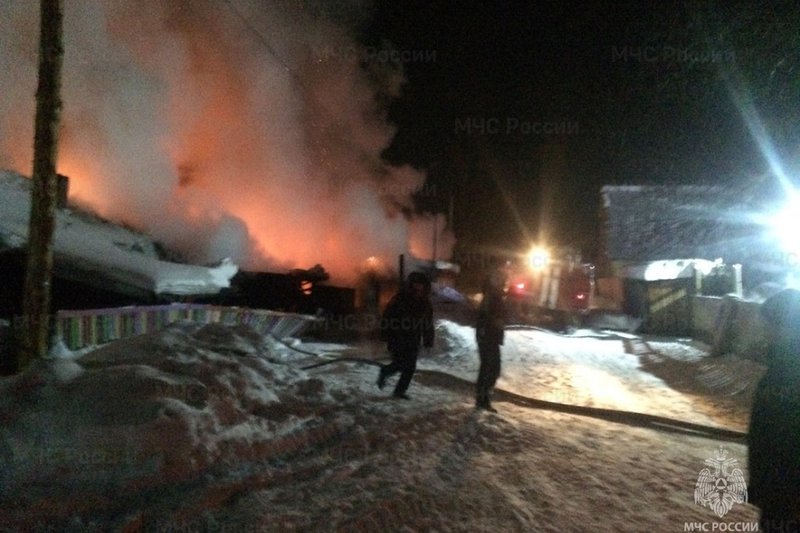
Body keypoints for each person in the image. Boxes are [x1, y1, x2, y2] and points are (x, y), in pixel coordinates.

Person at [748, 288, 800, 532]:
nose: (765, 333)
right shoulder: (778, 369)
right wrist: (760, 485)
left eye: (770, 326)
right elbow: (764, 432)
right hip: (775, 490)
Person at [377, 271, 434, 399]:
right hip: (397, 337)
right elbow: (388, 316)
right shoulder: (400, 298)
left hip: (413, 339)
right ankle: (385, 371)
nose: (418, 286)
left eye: (421, 284)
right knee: (400, 364)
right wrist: (385, 334)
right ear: (411, 284)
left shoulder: (425, 303)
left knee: (410, 367)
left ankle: (399, 391)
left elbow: (428, 324)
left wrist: (428, 341)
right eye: (416, 283)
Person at [475, 268, 507, 412]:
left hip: (492, 336)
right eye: (497, 278)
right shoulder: (490, 296)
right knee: (490, 368)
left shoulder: (497, 296)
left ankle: (483, 398)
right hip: (487, 337)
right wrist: (493, 325)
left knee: (492, 368)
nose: (500, 281)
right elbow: (484, 317)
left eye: (501, 278)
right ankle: (482, 398)